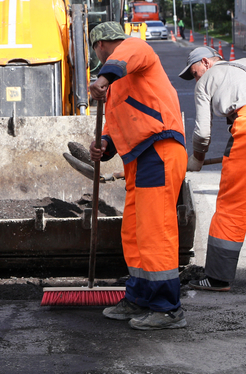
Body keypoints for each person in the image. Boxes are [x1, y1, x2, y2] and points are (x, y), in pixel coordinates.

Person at [88, 22, 188, 330]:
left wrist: (103, 77)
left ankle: (167, 308)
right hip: (140, 159)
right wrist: (104, 145)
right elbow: (120, 124)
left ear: (99, 45)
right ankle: (140, 297)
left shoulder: (134, 48)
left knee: (155, 232)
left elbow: (128, 51)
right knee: (134, 233)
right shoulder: (120, 84)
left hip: (159, 149)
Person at [179, 47, 246, 291]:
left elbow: (202, 133)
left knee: (233, 202)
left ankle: (217, 277)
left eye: (195, 72)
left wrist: (198, 158)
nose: (196, 79)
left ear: (205, 62)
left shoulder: (207, 81)